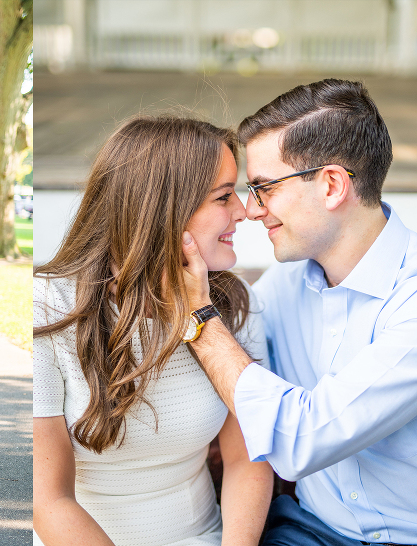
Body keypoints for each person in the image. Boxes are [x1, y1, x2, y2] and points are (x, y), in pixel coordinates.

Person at [180, 79, 417, 545]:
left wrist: (200, 319)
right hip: (306, 527)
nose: (251, 210)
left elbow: (298, 442)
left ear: (332, 185)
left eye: (263, 188)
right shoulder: (284, 286)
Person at [33, 116, 273, 546]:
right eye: (224, 196)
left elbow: (246, 458)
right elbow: (47, 501)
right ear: (164, 208)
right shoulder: (49, 309)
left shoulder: (234, 304)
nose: (244, 211)